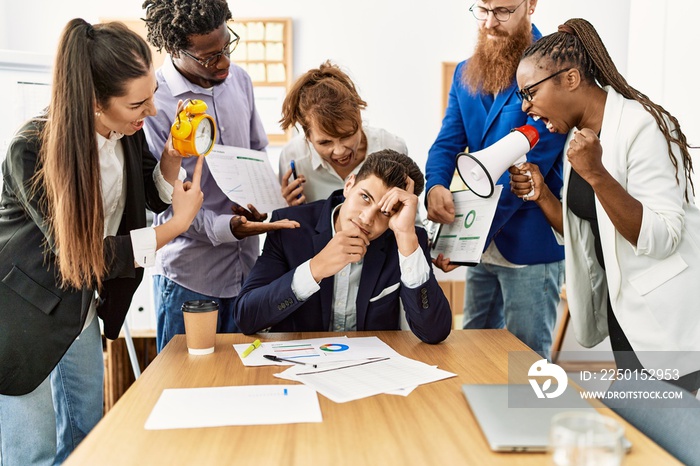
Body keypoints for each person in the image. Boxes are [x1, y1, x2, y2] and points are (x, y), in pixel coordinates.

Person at [0, 19, 204, 465]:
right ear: (95, 102)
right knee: (32, 453)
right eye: (138, 102)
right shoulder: (30, 150)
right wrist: (175, 227)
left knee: (88, 435)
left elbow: (148, 193)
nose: (151, 111)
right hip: (21, 318)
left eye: (152, 94)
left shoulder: (123, 133)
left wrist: (173, 155)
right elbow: (86, 251)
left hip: (79, 307)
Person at [509, 18, 700, 390]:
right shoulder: (577, 138)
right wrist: (543, 195)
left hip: (669, 322)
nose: (527, 108)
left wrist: (596, 174)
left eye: (529, 92)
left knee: (667, 433)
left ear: (571, 79)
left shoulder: (642, 127)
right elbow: (586, 232)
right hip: (625, 314)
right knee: (645, 431)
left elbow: (663, 237)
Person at [142, 0, 299, 352]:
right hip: (190, 277)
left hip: (249, 271)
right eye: (209, 57)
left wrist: (268, 201)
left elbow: (257, 150)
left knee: (245, 385)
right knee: (186, 388)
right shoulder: (154, 105)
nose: (224, 62)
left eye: (227, 46)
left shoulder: (239, 80)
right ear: (173, 49)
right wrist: (227, 227)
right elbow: (163, 202)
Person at [425, 0, 566, 359]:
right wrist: (436, 186)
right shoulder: (464, 73)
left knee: (526, 363)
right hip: (483, 247)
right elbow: (447, 142)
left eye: (503, 10)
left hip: (528, 248)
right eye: (483, 9)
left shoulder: (552, 70)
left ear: (531, 5)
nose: (490, 22)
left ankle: (526, 418)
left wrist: (467, 244)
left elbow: (528, 166)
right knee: (473, 351)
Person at [234, 150, 452, 344]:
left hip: (372, 372)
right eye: (365, 197)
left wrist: (406, 237)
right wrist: (315, 269)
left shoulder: (406, 239)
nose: (367, 218)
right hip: (300, 367)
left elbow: (433, 333)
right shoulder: (290, 227)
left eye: (385, 211)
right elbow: (246, 317)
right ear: (349, 185)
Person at [278, 60, 407, 206]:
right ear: (307, 136)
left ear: (358, 117)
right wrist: (291, 211)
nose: (339, 152)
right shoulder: (292, 157)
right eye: (325, 142)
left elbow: (414, 224)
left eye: (346, 136)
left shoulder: (393, 149)